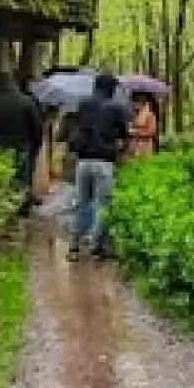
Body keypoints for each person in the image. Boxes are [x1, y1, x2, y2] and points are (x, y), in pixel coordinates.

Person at [68, 74, 129, 261]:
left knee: (81, 202)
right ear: (110, 88)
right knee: (102, 204)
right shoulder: (116, 108)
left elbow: (78, 126)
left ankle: (74, 246)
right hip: (104, 162)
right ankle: (95, 246)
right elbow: (124, 135)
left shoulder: (83, 103)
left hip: (83, 161)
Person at [0, 72, 42, 214]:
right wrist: (35, 145)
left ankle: (0, 210)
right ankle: (21, 209)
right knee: (21, 179)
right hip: (21, 146)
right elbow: (37, 127)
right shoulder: (26, 101)